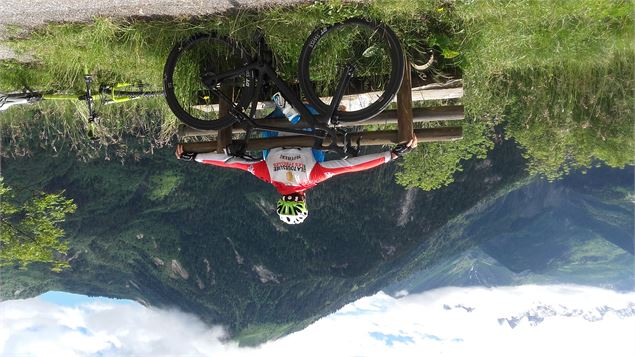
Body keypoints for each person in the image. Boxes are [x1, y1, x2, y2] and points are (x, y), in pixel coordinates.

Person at [176, 136, 417, 224]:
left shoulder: (314, 176)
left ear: (303, 200)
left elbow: (351, 166)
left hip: (308, 124)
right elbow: (231, 163)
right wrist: (195, 157)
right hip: (272, 123)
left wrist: (392, 155)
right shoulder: (266, 174)